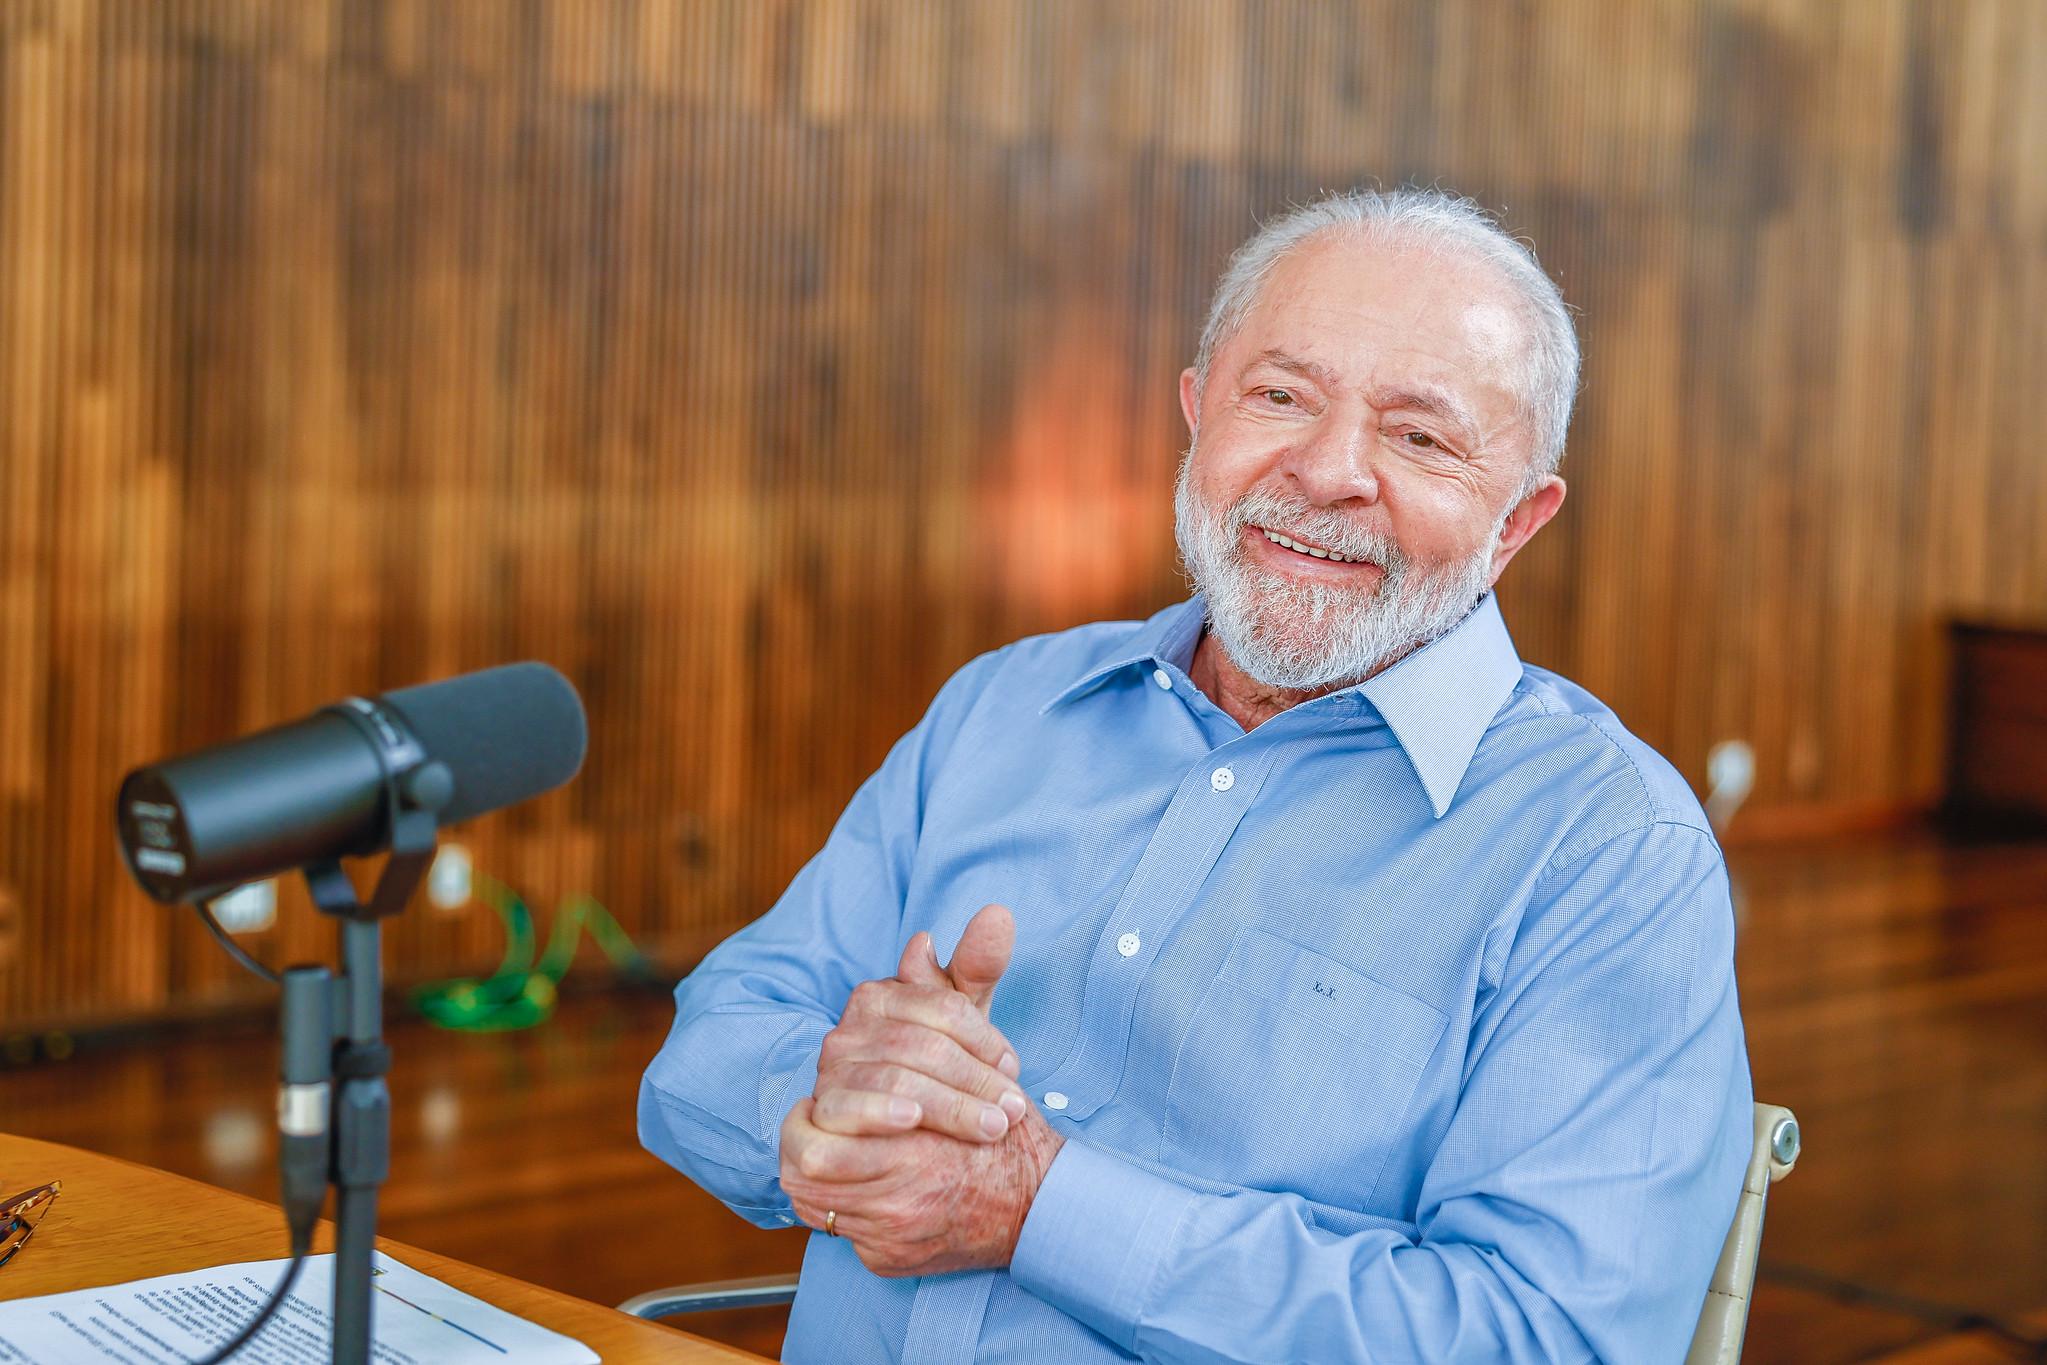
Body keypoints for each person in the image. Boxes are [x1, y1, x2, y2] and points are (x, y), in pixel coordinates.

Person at [640, 188, 1752, 1363]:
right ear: (1195, 412)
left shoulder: (1611, 853)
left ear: (1517, 521)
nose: (1326, 472)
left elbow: (1542, 1338)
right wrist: (831, 1114)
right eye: (1279, 397)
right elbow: (710, 1046)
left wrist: (1033, 1206)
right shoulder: (1005, 706)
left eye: (1419, 437)